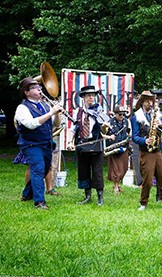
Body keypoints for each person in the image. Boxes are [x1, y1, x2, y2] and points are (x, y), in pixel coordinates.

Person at [14, 77, 62, 209]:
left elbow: (56, 124)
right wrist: (51, 112)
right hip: (31, 144)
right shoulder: (22, 108)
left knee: (45, 169)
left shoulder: (45, 105)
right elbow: (31, 124)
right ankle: (39, 201)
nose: (40, 89)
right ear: (26, 92)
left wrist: (57, 113)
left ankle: (26, 194)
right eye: (35, 88)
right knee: (38, 169)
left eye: (39, 87)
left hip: (45, 143)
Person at [131, 91, 162, 211]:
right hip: (146, 151)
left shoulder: (159, 115)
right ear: (142, 102)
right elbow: (134, 137)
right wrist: (145, 141)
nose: (150, 103)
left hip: (158, 150)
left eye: (152, 101)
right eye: (147, 101)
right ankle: (143, 203)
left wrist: (161, 125)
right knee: (148, 180)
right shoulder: (136, 117)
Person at [67, 85, 109, 206]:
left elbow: (104, 131)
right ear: (84, 97)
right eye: (88, 95)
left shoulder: (100, 111)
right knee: (83, 170)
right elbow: (73, 128)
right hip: (82, 143)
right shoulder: (78, 111)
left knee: (97, 171)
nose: (91, 97)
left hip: (96, 143)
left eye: (93, 95)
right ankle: (87, 196)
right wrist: (70, 141)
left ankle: (100, 197)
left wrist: (105, 128)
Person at [105, 106, 131, 193]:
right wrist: (109, 137)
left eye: (124, 114)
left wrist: (129, 135)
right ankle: (115, 186)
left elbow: (129, 131)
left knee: (124, 168)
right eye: (120, 114)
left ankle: (117, 184)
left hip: (124, 147)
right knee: (115, 169)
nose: (122, 116)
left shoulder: (126, 121)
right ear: (115, 114)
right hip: (114, 148)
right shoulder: (110, 122)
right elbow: (104, 133)